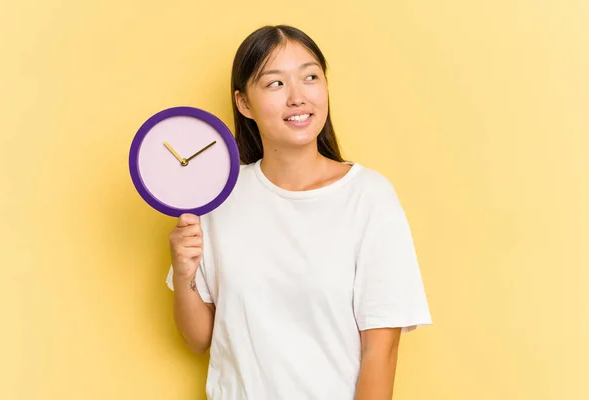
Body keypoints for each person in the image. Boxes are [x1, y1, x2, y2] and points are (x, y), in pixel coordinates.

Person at [165, 24, 432, 400]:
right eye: (275, 83)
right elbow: (198, 339)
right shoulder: (218, 196)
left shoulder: (368, 197)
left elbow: (381, 350)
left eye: (310, 77)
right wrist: (184, 273)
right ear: (244, 103)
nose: (298, 97)